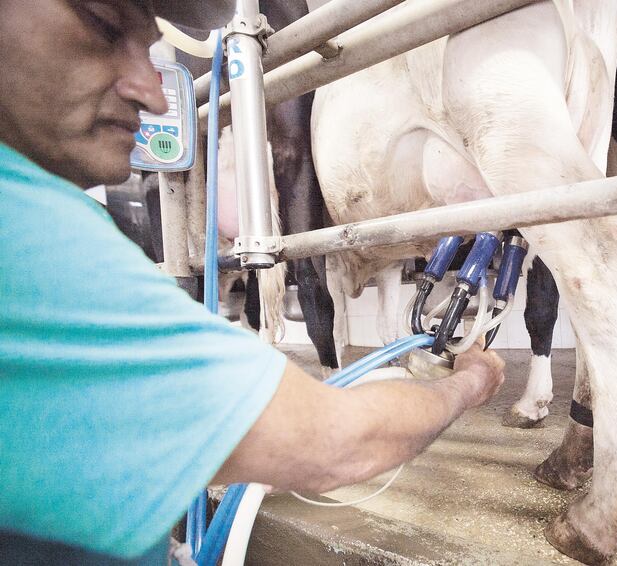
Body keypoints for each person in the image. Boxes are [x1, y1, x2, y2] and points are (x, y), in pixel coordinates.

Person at [0, 1, 505, 563]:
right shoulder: (24, 239)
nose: (156, 95)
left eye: (146, 49)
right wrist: (469, 385)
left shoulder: (52, 224)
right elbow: (338, 444)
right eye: (100, 25)